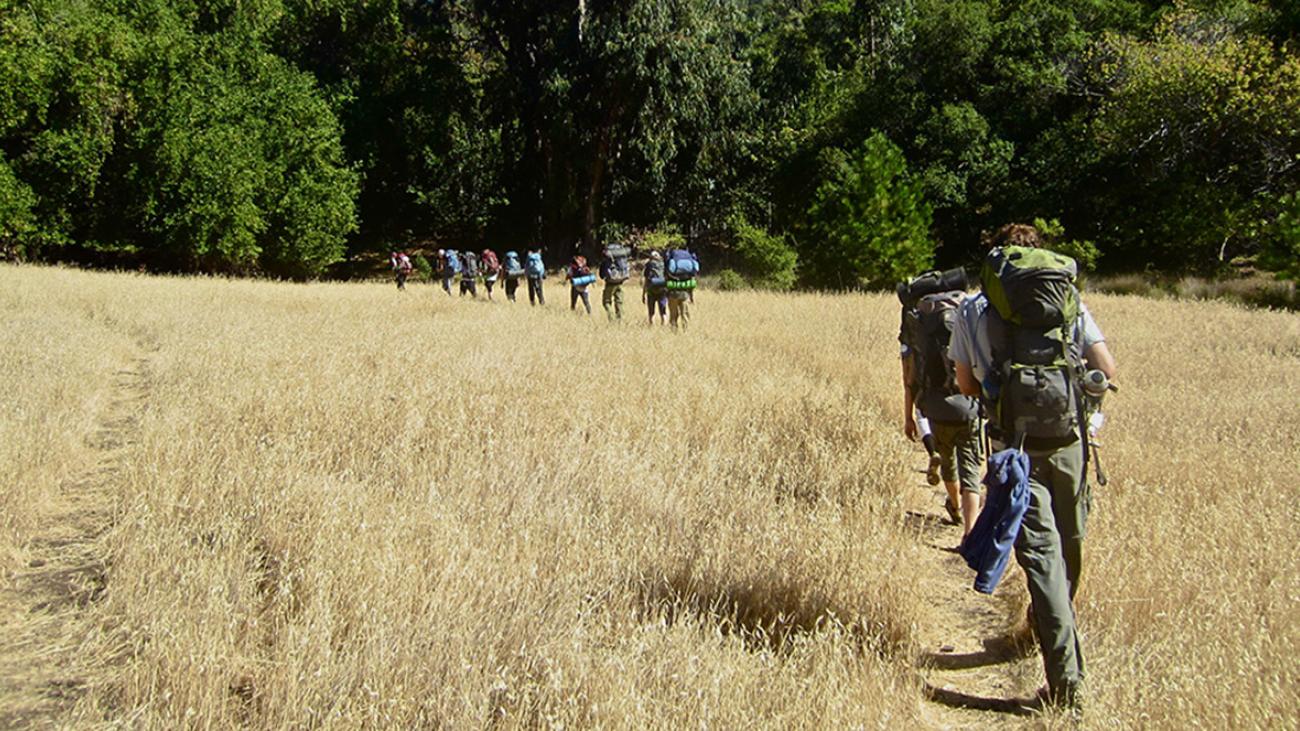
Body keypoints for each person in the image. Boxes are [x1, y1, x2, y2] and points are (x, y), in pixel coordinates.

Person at [949, 223, 1117, 712]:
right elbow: (1106, 370)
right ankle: (1051, 639)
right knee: (1070, 551)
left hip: (1014, 451)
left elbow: (965, 385)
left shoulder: (974, 308)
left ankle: (1066, 685)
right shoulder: (1068, 302)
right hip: (1069, 444)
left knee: (1042, 564)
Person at [899, 284, 984, 539]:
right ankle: (970, 530)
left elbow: (910, 382)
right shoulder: (964, 327)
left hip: (936, 407)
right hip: (968, 405)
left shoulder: (921, 340)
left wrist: (909, 417)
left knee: (948, 463)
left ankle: (955, 507)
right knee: (971, 468)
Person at [665, 247, 699, 331]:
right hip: (685, 293)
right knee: (685, 314)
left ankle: (674, 331)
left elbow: (666, 278)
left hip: (673, 293)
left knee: (673, 315)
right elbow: (692, 281)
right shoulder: (689, 269)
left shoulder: (671, 263)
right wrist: (691, 297)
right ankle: (685, 331)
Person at [599, 243, 631, 321]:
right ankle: (620, 319)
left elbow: (602, 273)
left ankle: (611, 318)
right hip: (620, 281)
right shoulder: (621, 258)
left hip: (610, 282)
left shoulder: (607, 260)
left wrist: (604, 276)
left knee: (606, 302)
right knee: (619, 301)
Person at [642, 251, 668, 325]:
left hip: (651, 290)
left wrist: (643, 293)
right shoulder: (663, 264)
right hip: (662, 289)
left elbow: (646, 280)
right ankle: (664, 326)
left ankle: (652, 327)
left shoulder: (649, 265)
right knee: (663, 311)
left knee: (651, 312)